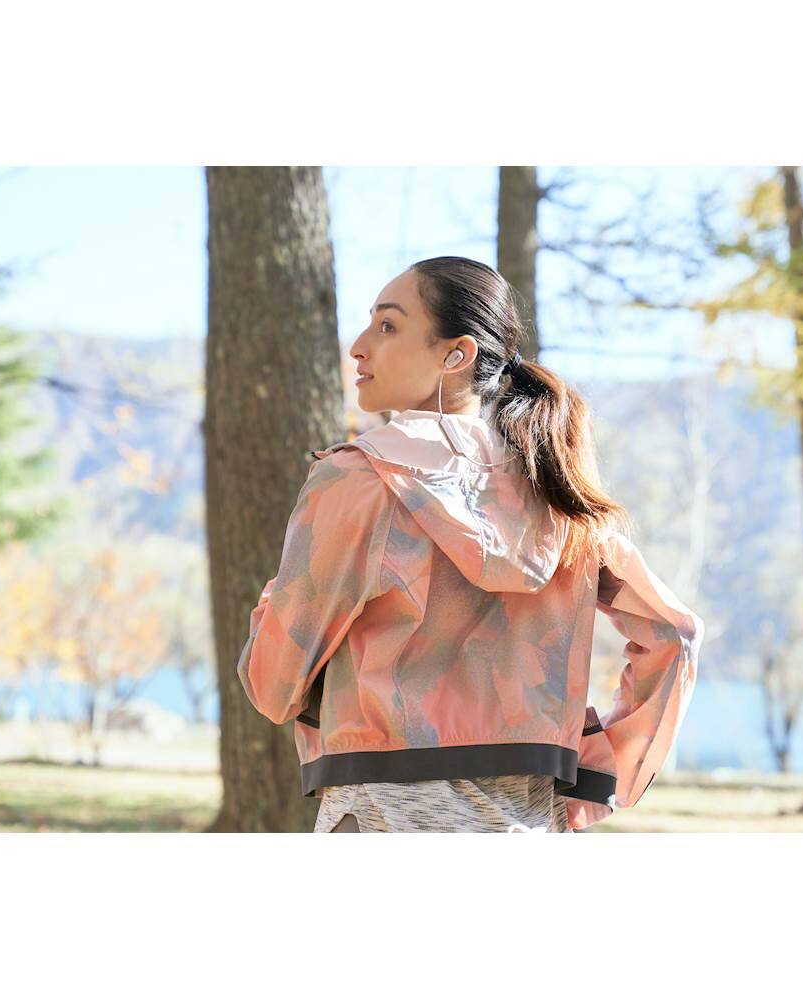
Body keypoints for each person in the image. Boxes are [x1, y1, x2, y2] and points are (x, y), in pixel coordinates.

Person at [236, 256, 705, 833]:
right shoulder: (557, 492)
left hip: (381, 816)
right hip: (530, 823)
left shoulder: (360, 481)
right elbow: (675, 634)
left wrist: (280, 594)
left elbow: (273, 685)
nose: (358, 347)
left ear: (456, 355)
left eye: (387, 325)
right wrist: (602, 770)